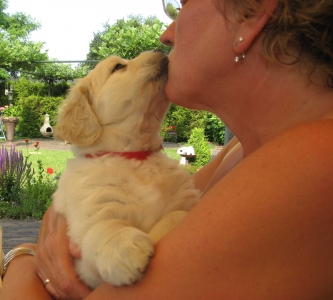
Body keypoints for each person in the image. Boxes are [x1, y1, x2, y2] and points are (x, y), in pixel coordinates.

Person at [34, 0, 333, 299]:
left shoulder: (316, 158)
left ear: (250, 14)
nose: (166, 33)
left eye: (183, 4)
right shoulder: (239, 150)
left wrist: (20, 261)